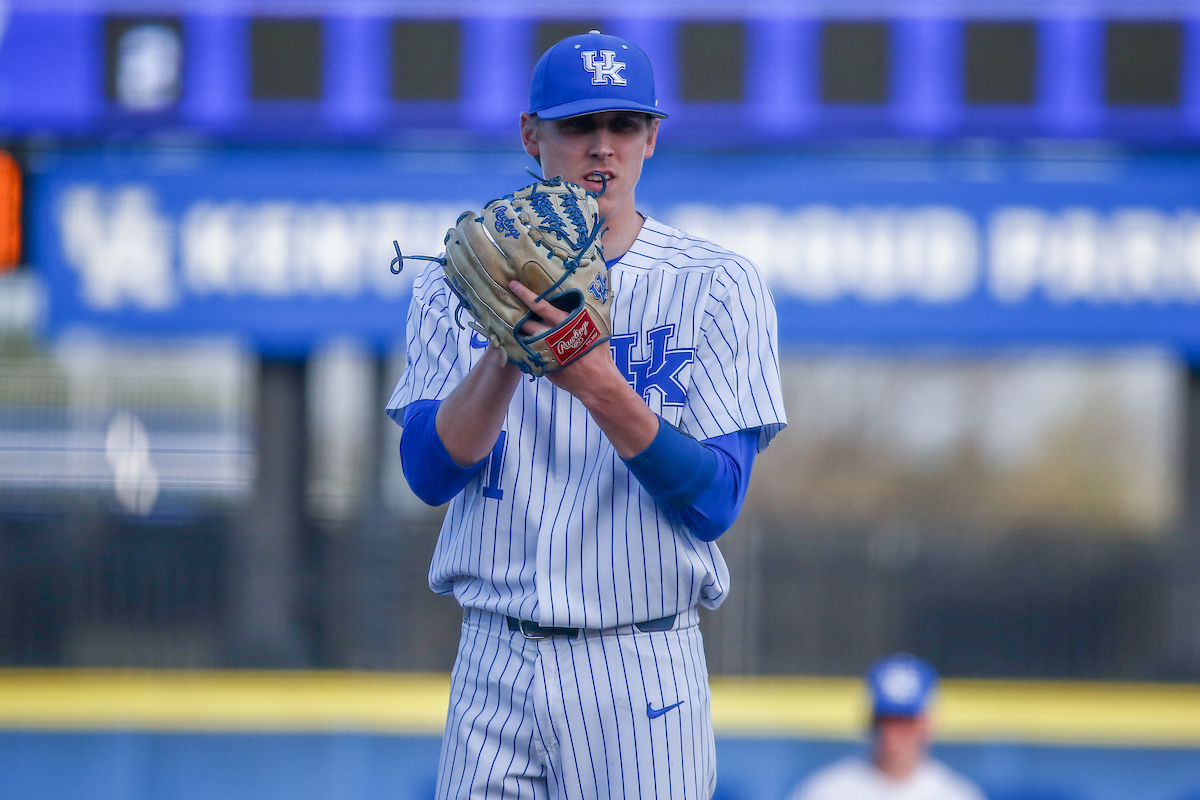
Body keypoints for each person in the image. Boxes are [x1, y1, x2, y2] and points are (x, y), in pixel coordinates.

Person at [387, 30, 786, 799]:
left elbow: (715, 500)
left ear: (652, 138)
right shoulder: (454, 285)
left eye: (623, 125)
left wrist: (597, 381)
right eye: (578, 126)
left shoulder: (717, 284)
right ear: (532, 135)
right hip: (493, 655)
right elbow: (427, 475)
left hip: (638, 668)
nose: (601, 147)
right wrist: (507, 346)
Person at [786, 654, 986, 800]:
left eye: (905, 722)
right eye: (885, 720)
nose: (892, 734)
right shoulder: (826, 792)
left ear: (928, 723)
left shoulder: (956, 794)